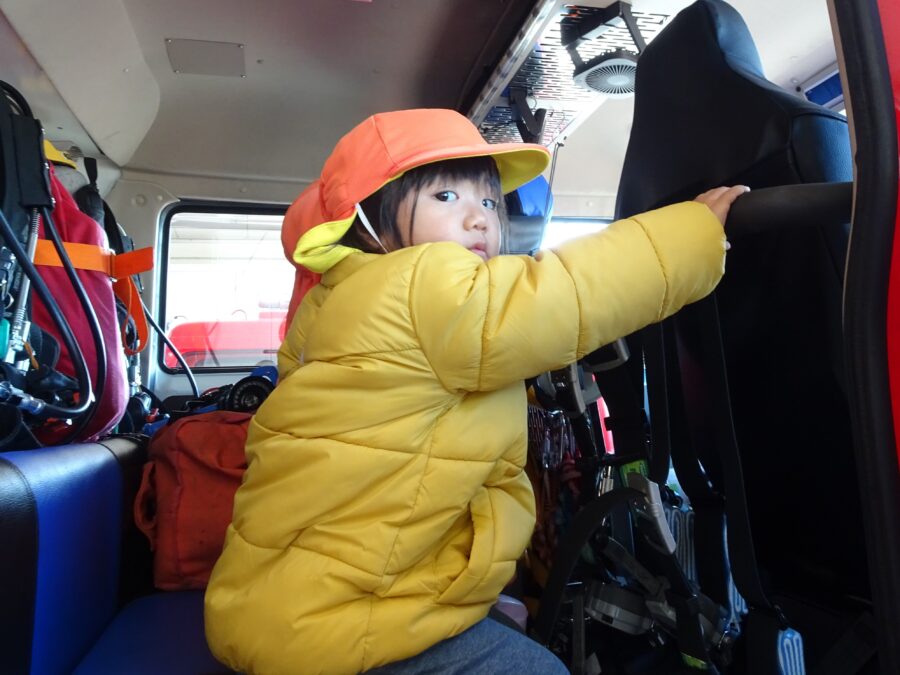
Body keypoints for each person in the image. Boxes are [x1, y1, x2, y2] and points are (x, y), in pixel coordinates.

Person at [204, 108, 747, 675]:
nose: (479, 219)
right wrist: (690, 235)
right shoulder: (422, 284)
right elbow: (559, 298)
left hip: (294, 602)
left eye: (489, 201)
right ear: (369, 219)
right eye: (446, 197)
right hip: (330, 625)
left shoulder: (344, 296)